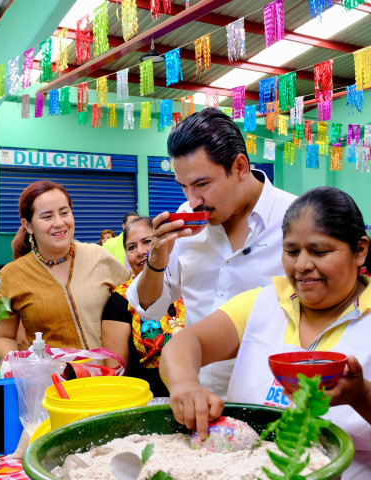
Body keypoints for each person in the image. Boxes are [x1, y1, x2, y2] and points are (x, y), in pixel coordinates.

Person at [160, 187, 371, 479]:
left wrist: (364, 397)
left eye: (319, 252)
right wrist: (184, 384)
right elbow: (186, 342)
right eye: (291, 251)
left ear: (359, 251)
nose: (302, 265)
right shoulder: (262, 303)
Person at [126, 108, 297, 398]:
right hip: (198, 392)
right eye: (184, 187)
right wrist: (155, 261)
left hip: (274, 397)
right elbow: (151, 308)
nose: (193, 201)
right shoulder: (183, 221)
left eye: (202, 184)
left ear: (240, 167)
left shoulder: (295, 220)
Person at [0, 181, 130, 360]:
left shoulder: (99, 257)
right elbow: (2, 336)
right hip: (52, 385)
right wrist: (24, 371)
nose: (59, 222)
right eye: (47, 216)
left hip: (110, 382)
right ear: (28, 225)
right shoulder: (11, 275)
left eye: (65, 212)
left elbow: (135, 302)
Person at [102, 217, 185, 397]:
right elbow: (117, 373)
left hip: (201, 391)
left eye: (148, 242)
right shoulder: (120, 299)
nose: (140, 251)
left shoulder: (187, 285)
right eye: (131, 247)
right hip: (150, 403)